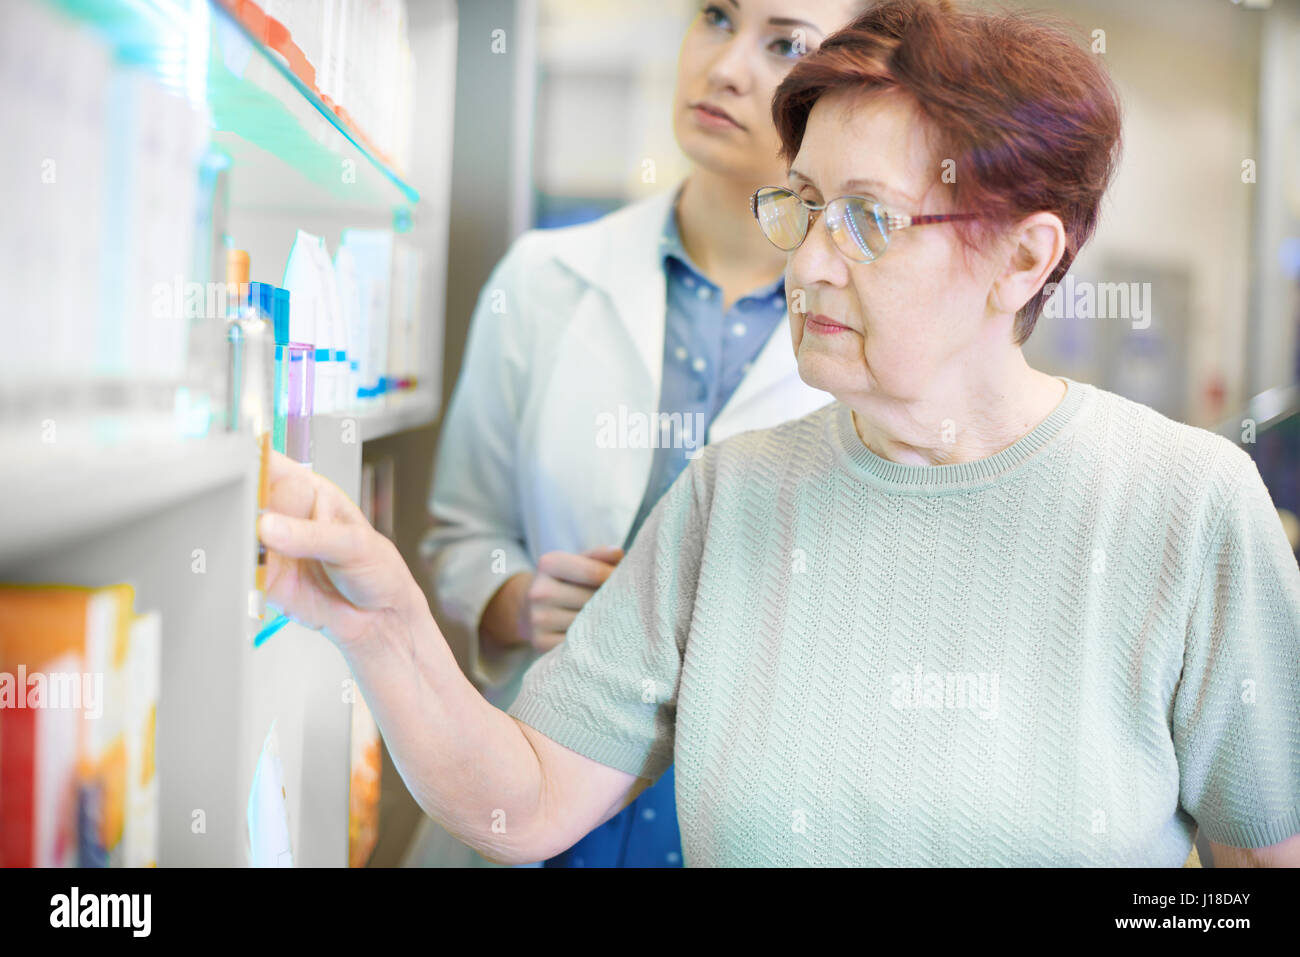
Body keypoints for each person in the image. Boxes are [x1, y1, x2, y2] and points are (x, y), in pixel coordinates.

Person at [257, 0, 1300, 866]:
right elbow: (523, 804)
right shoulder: (732, 496)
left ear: (1023, 261)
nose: (805, 267)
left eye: (867, 220)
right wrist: (384, 624)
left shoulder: (1187, 505)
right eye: (801, 208)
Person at [419, 0, 865, 867]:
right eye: (716, 17)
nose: (728, 66)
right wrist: (513, 601)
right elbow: (459, 532)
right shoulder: (544, 279)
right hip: (530, 786)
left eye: (784, 43)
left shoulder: (866, 330)